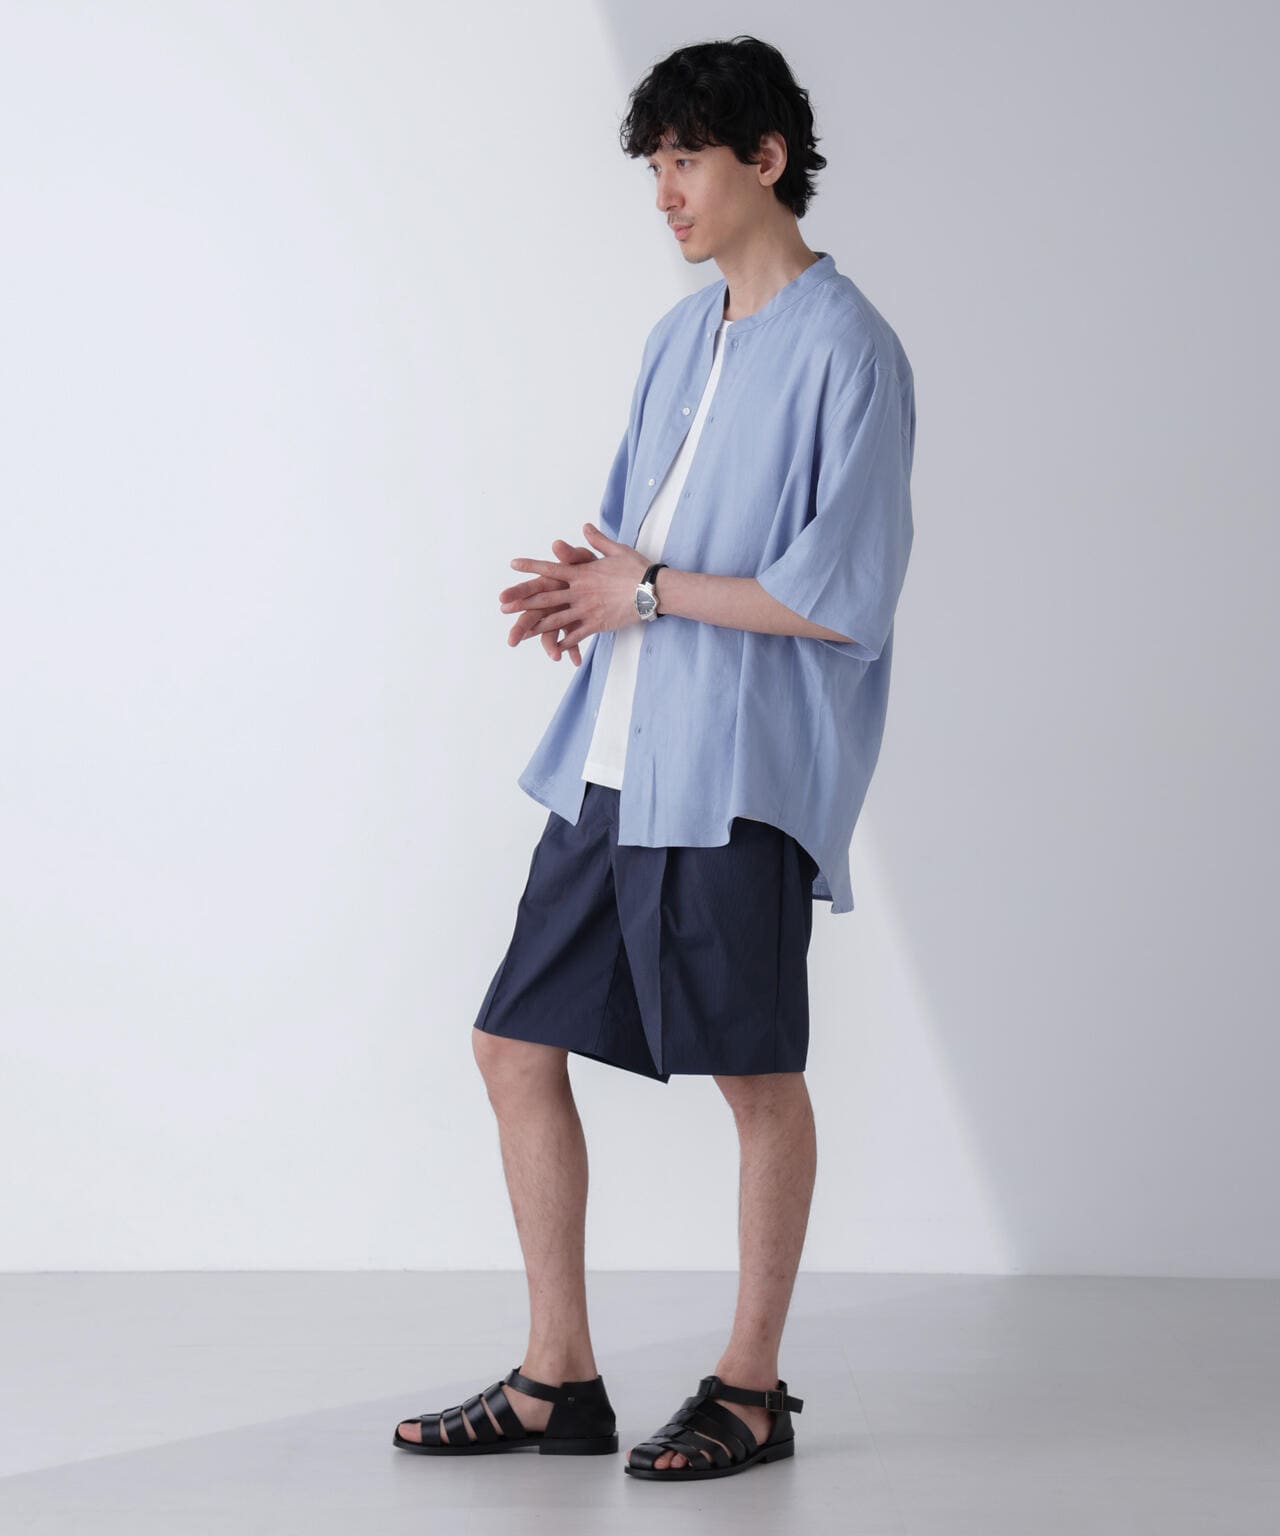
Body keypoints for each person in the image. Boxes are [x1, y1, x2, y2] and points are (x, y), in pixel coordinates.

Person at [393, 34, 915, 1482]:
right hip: (617, 753)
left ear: (767, 159)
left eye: (688, 158)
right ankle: (558, 1380)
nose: (667, 191)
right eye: (656, 165)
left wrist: (654, 594)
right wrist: (588, 592)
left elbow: (842, 594)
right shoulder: (678, 340)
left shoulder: (852, 349)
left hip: (736, 772)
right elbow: (644, 553)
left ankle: (749, 1390)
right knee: (513, 1043)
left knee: (754, 1077)